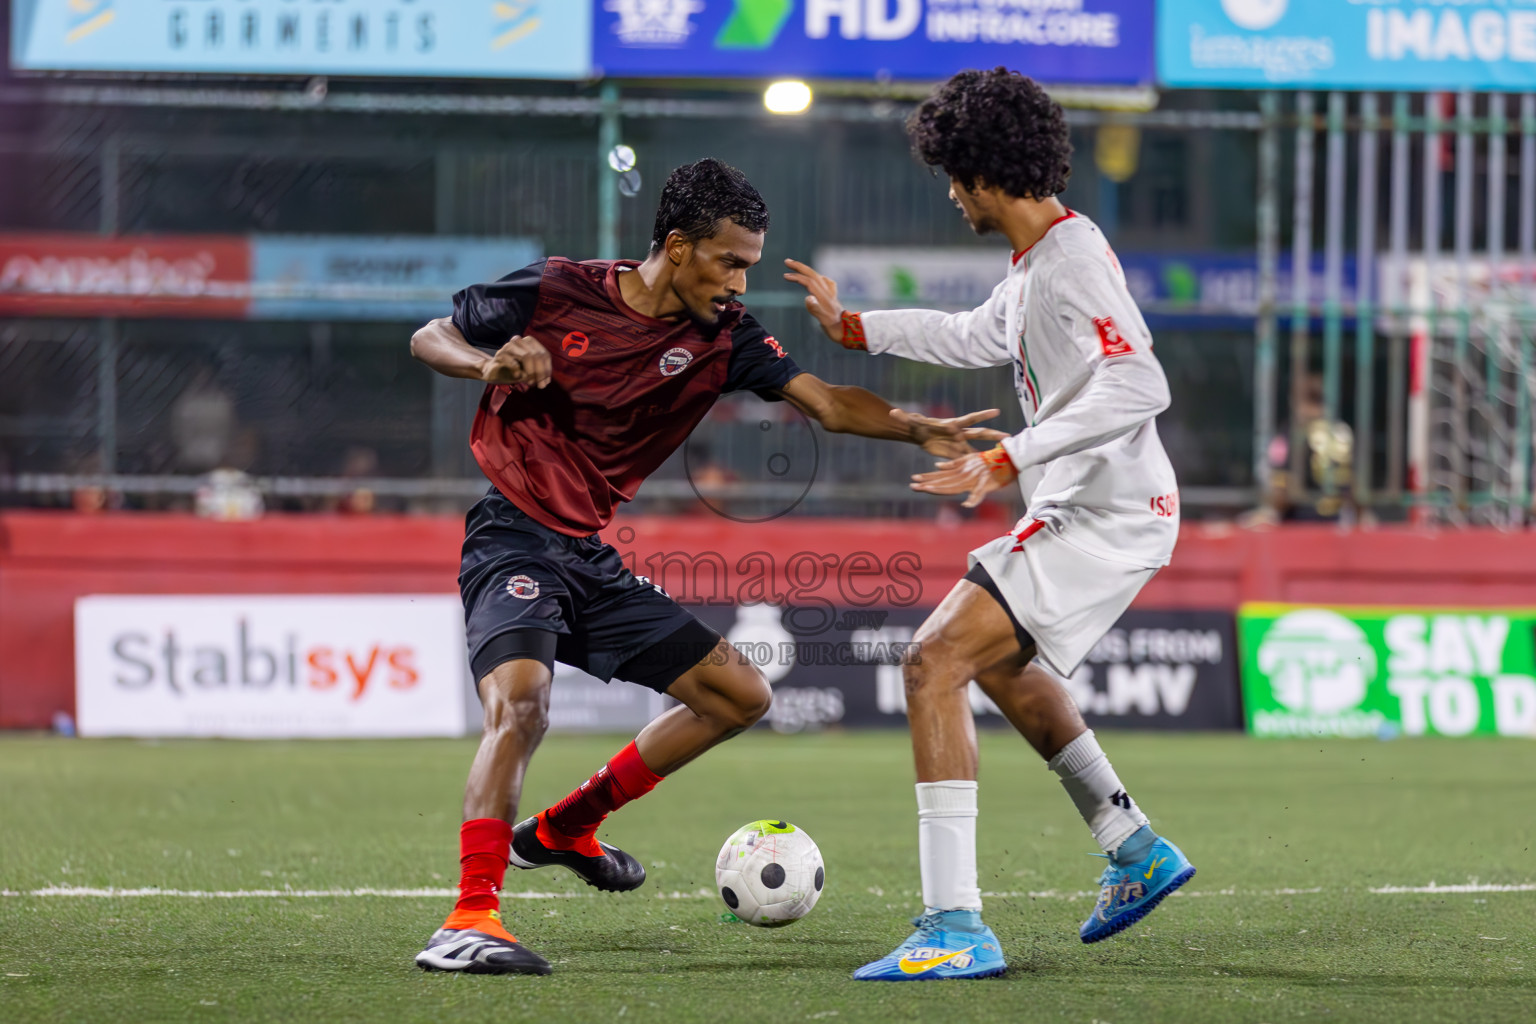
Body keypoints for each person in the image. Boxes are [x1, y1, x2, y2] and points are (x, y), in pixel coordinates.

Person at [408, 158, 1003, 975]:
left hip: (587, 553)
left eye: (749, 265)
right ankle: (469, 920)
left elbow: (826, 402)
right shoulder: (557, 290)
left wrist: (915, 427)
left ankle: (561, 830)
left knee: (739, 694)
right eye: (730, 261)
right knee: (523, 704)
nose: (739, 281)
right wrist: (487, 364)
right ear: (679, 247)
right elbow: (431, 334)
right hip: (511, 537)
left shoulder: (727, 340)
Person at [785, 69, 1196, 981]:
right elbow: (975, 335)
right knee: (1007, 668)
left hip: (1105, 513)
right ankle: (1133, 846)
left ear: (978, 174)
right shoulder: (1042, 260)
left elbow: (1141, 383)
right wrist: (859, 329)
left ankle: (954, 926)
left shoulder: (1074, 262)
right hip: (1094, 508)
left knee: (932, 662)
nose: (948, 193)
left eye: (951, 174)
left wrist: (1008, 457)